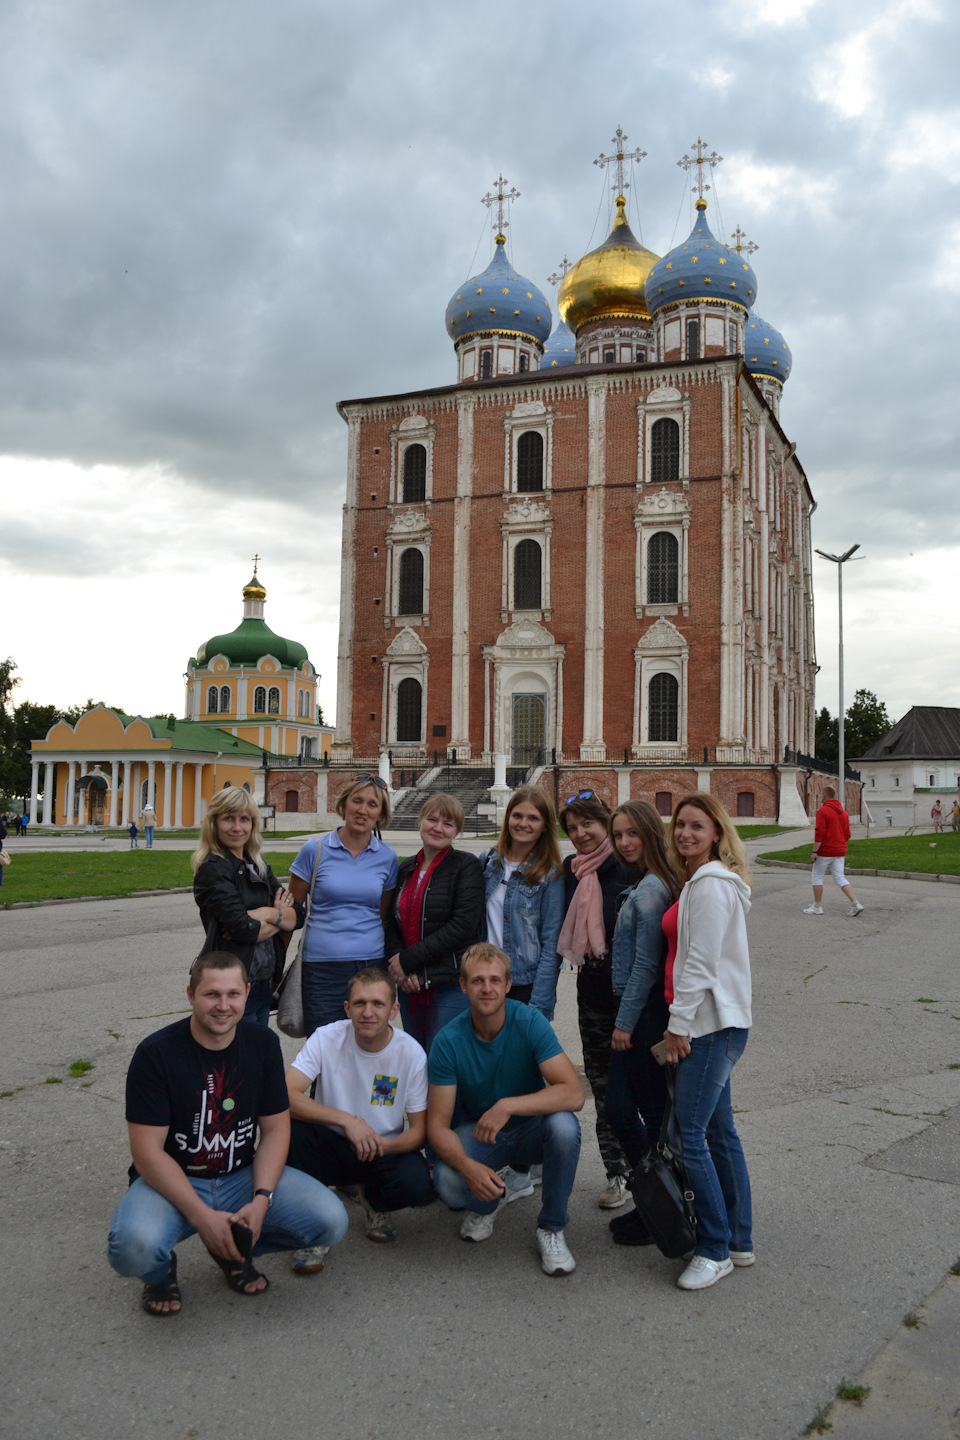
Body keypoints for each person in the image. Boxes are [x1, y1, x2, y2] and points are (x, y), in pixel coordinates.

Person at [106, 951, 349, 1317]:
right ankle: (159, 1272)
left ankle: (234, 1251)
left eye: (233, 994)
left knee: (330, 1221)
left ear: (248, 993)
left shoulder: (262, 1044)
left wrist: (262, 1199)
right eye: (211, 995)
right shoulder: (156, 1054)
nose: (223, 1006)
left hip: (240, 1175)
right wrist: (203, 1218)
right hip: (175, 1181)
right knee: (132, 1250)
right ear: (190, 994)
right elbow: (147, 1153)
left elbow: (276, 1129)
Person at [428, 942, 584, 1276]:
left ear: (508, 985)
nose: (487, 988)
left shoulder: (528, 1021)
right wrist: (470, 1170)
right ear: (463, 985)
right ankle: (486, 1204)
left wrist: (509, 1105)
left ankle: (552, 1228)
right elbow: (437, 1128)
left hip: (530, 1130)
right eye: (478, 980)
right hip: (485, 1135)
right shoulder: (447, 1040)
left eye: (495, 980)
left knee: (565, 1127)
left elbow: (573, 1094)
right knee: (448, 1179)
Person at [662, 795, 754, 1291]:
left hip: (710, 1024)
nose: (685, 834)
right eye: (680, 825)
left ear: (717, 833)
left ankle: (715, 1248)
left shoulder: (711, 885)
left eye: (697, 826)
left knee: (690, 1134)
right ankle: (739, 1239)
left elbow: (701, 962)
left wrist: (679, 1023)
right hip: (717, 1019)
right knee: (720, 1134)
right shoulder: (701, 881)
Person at [285, 967, 434, 1267]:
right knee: (289, 1130)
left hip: (381, 1147)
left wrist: (381, 1145)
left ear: (393, 1010)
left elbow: (419, 1131)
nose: (368, 1012)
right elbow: (284, 1094)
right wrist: (346, 1121)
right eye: (360, 1003)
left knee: (419, 1185)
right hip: (330, 1141)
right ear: (347, 1008)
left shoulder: (411, 1053)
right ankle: (316, 1228)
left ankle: (373, 1201)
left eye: (378, 1004)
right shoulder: (326, 1038)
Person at [604, 800, 681, 1247]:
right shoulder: (647, 881)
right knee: (632, 1111)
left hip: (644, 1014)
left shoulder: (652, 890)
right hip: (639, 1012)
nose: (624, 842)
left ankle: (662, 1206)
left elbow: (645, 967)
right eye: (618, 835)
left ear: (650, 832)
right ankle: (652, 1202)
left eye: (632, 833)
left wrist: (624, 1024)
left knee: (642, 1114)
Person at [554, 790, 634, 1210]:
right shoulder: (572, 870)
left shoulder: (631, 867)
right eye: (572, 828)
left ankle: (657, 1167)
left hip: (637, 1000)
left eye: (588, 824)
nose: (581, 834)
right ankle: (617, 1171)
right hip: (594, 997)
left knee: (645, 1088)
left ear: (605, 824)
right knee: (603, 1088)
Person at [289, 775, 398, 1035]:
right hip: (321, 967)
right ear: (344, 804)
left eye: (372, 804)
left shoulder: (387, 857)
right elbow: (292, 912)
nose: (362, 810)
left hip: (370, 965)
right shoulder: (314, 850)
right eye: (357, 801)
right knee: (323, 1049)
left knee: (367, 1045)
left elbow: (382, 914)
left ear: (380, 814)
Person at [383, 793, 484, 1055]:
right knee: (415, 1057)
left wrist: (408, 961)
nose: (438, 828)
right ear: (420, 821)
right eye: (432, 819)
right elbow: (392, 920)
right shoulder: (406, 868)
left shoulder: (465, 866)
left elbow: (462, 926)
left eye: (448, 824)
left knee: (442, 1059)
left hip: (448, 981)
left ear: (457, 832)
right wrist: (398, 964)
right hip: (409, 984)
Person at [192, 787, 303, 1026]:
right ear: (214, 823)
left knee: (255, 1054)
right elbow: (244, 930)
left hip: (263, 983)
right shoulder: (214, 869)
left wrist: (266, 913)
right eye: (228, 819)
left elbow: (299, 916)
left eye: (244, 819)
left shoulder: (258, 866)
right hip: (229, 986)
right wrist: (279, 918)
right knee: (236, 1057)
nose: (237, 827)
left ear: (253, 824)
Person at [479, 785, 564, 1014]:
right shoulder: (488, 862)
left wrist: (540, 1003)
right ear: (508, 818)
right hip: (484, 980)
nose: (523, 824)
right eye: (517, 815)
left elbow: (551, 944)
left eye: (533, 818)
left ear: (545, 826)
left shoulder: (550, 874)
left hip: (523, 983)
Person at [804, 786, 864, 917]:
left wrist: (815, 851)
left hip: (825, 851)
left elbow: (820, 832)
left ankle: (817, 906)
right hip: (839, 850)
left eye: (821, 795)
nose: (821, 797)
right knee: (840, 878)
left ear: (825, 795)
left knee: (817, 877)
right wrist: (840, 843)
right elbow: (847, 833)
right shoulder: (844, 813)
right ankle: (856, 903)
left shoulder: (823, 811)